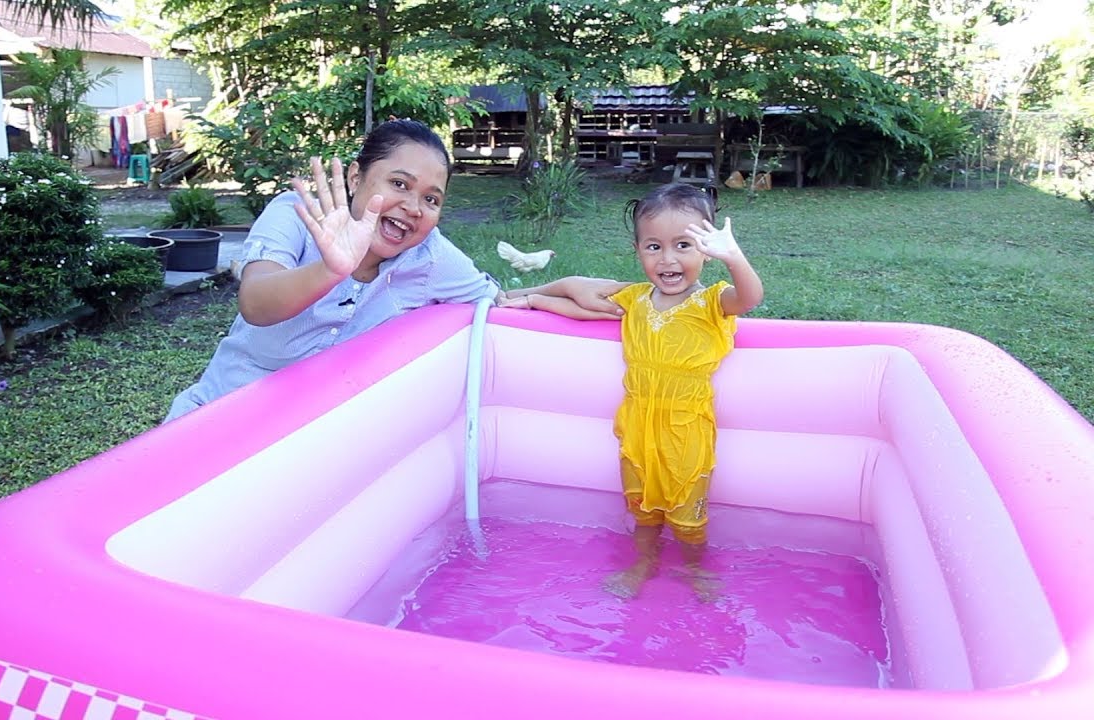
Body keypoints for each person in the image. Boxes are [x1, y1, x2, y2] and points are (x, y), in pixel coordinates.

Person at [165, 119, 625, 422]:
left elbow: (495, 303)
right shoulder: (298, 214)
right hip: (219, 420)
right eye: (398, 184)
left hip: (306, 442)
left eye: (431, 198)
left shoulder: (429, 256)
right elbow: (256, 302)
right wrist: (330, 269)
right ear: (355, 179)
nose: (412, 207)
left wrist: (564, 287)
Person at [504, 183, 764, 600]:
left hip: (686, 427)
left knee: (687, 508)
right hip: (638, 425)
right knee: (642, 506)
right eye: (654, 247)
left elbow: (751, 297)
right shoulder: (637, 299)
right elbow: (584, 309)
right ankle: (642, 562)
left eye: (684, 245)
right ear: (638, 249)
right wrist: (533, 299)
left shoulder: (713, 303)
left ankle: (695, 568)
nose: (668, 259)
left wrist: (733, 256)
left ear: (706, 248)